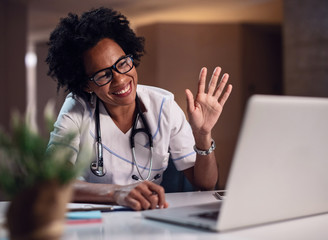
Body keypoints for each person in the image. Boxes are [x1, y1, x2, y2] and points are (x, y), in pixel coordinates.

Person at [46, 7, 232, 211]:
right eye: (103, 75)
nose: (120, 79)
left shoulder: (163, 105)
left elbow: (205, 184)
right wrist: (117, 193)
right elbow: (53, 183)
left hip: (150, 218)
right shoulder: (77, 108)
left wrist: (203, 135)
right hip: (97, 222)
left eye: (123, 63)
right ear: (86, 85)